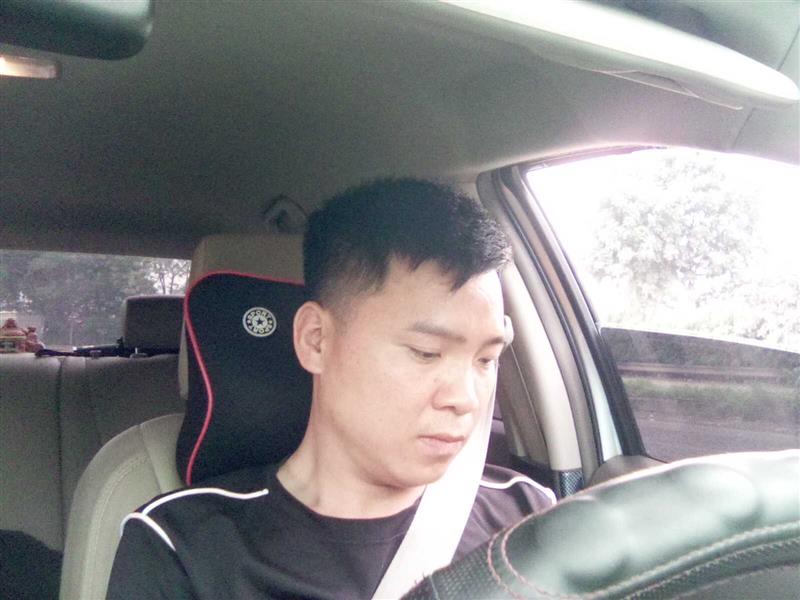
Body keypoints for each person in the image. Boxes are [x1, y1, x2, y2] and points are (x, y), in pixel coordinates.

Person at [107, 179, 555, 599]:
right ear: (316, 340)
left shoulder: (527, 514)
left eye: (486, 359)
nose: (466, 399)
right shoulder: (183, 548)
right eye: (426, 353)